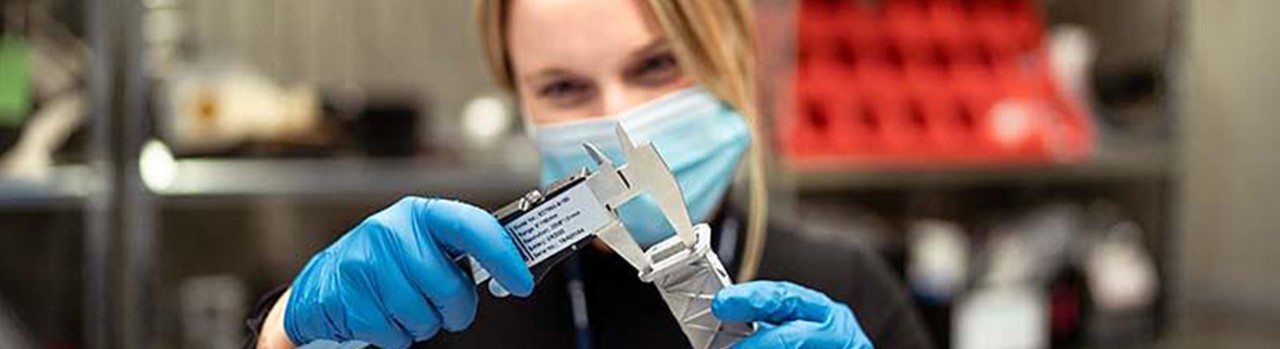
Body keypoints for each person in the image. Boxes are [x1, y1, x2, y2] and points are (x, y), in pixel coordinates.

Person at [250, 0, 932, 348]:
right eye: (564, 88)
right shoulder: (434, 299)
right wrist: (286, 333)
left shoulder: (848, 289)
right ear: (519, 98)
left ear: (736, 54)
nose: (619, 125)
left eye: (656, 67)